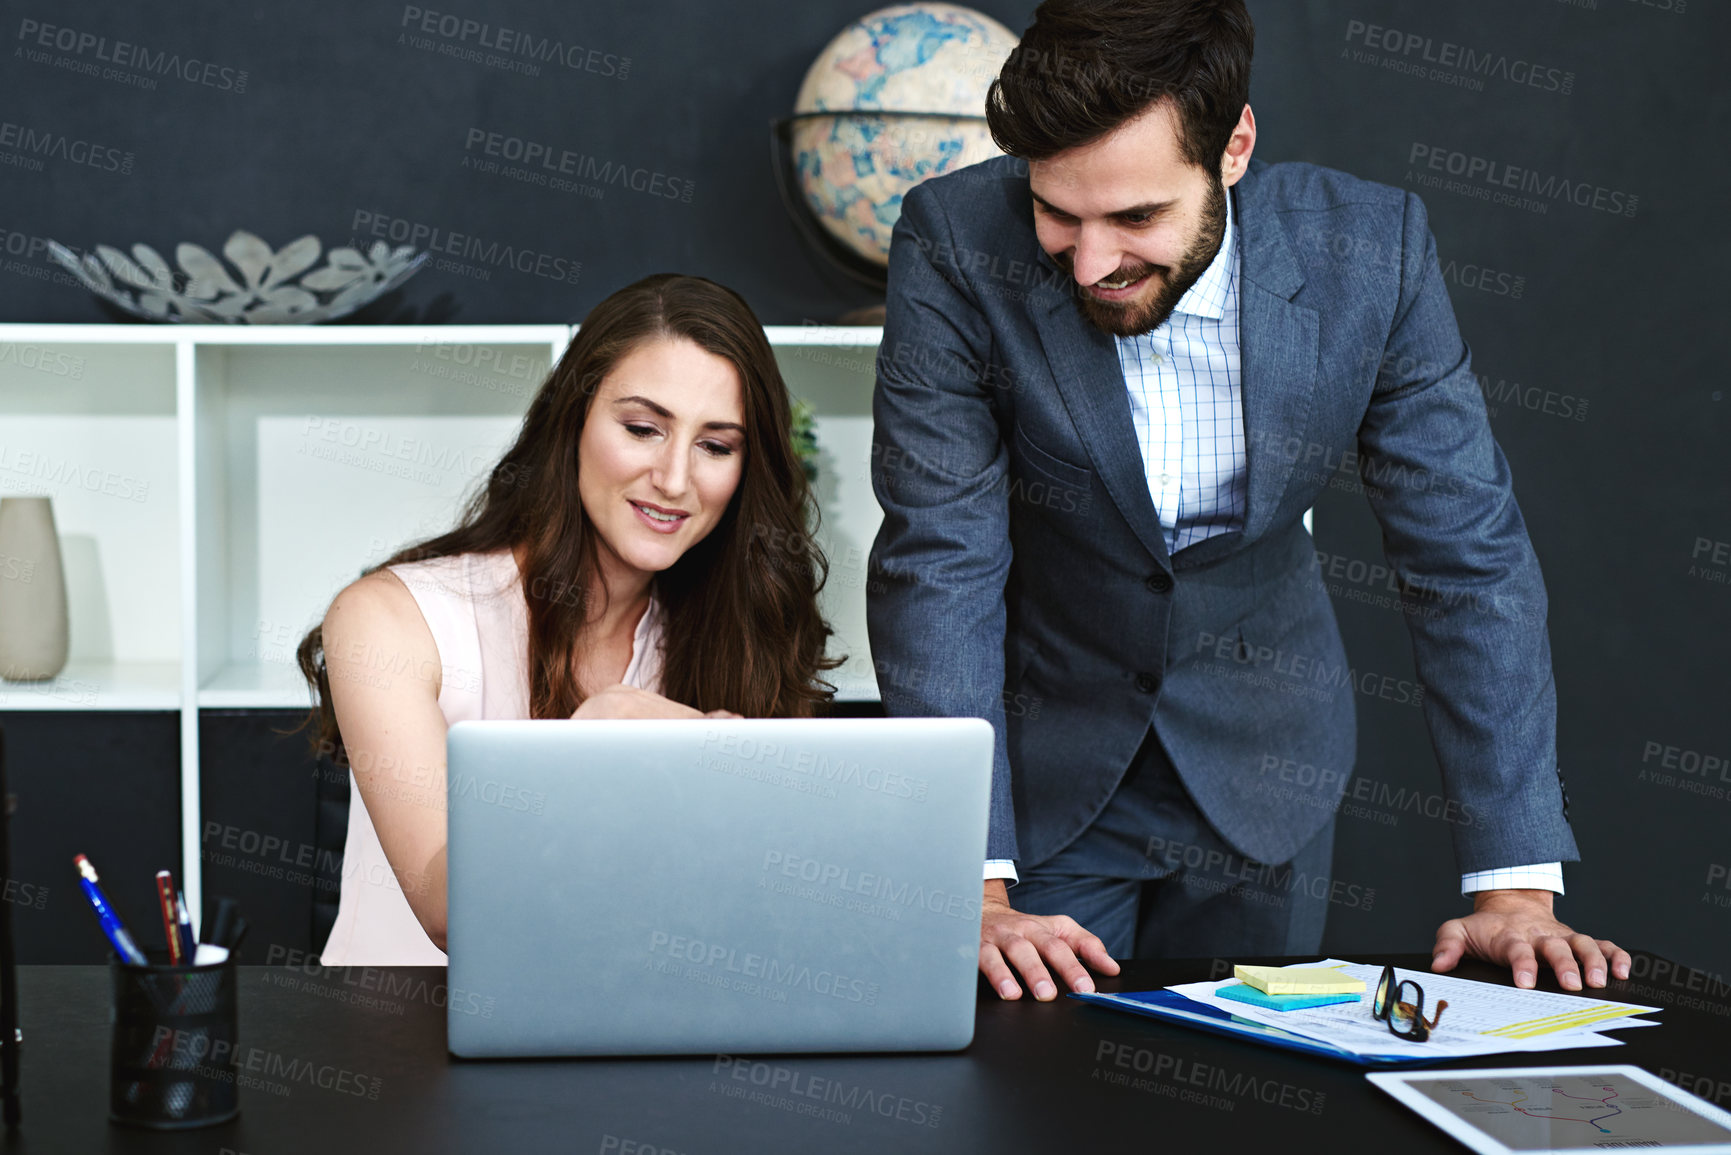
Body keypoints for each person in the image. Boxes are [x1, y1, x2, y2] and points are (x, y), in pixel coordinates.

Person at [866, 0, 1628, 1002]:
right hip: (1040, 776)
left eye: (1136, 217)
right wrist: (966, 873)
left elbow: (1465, 561)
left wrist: (1516, 885)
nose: (1090, 264)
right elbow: (941, 558)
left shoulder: (1372, 255)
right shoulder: (954, 240)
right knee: (1028, 1101)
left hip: (1272, 767)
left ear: (1234, 148)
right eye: (1058, 213)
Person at [297, 273, 838, 965]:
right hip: (408, 1042)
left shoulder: (737, 630)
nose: (675, 478)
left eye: (716, 445)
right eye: (642, 428)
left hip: (626, 1029)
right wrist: (591, 744)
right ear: (572, 421)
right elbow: (446, 912)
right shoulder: (387, 618)